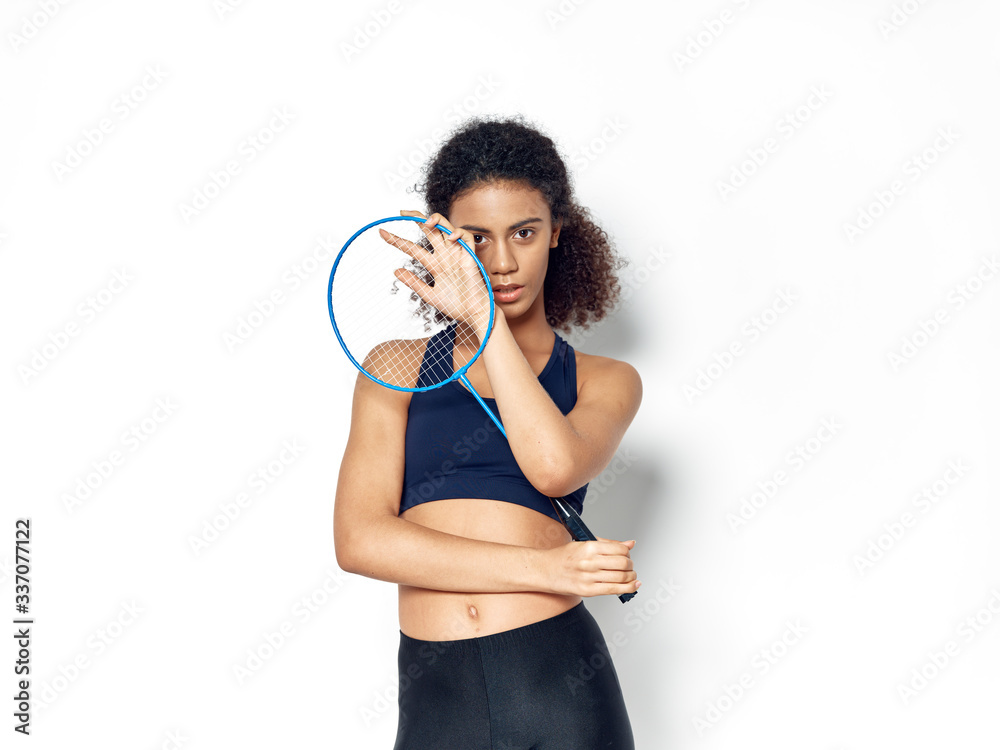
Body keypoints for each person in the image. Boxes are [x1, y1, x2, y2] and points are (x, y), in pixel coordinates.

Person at [334, 115, 643, 749]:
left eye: (524, 232)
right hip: (439, 700)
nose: (501, 262)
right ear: (443, 240)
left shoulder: (605, 379)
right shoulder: (395, 369)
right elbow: (360, 541)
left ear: (557, 232)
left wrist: (484, 319)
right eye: (477, 238)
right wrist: (547, 569)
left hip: (561, 687)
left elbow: (553, 468)